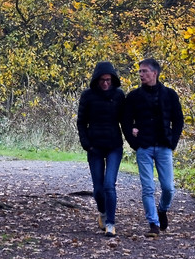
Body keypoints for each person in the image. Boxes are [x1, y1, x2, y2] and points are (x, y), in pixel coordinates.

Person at [124, 58, 184, 236]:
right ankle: (153, 224)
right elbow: (126, 122)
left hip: (164, 146)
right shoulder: (133, 97)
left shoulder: (170, 95)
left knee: (168, 188)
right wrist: (135, 143)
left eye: (144, 71)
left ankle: (162, 209)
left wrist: (172, 142)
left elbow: (178, 120)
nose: (141, 74)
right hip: (144, 147)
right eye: (140, 72)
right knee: (148, 188)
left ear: (154, 73)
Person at [76, 61, 127, 236]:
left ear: (113, 80)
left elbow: (125, 120)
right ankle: (103, 213)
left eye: (109, 80)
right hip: (95, 146)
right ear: (97, 80)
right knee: (98, 189)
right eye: (103, 80)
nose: (106, 83)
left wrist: (134, 135)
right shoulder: (88, 96)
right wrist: (86, 143)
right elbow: (81, 122)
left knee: (109, 185)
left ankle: (111, 223)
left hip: (114, 145)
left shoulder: (119, 95)